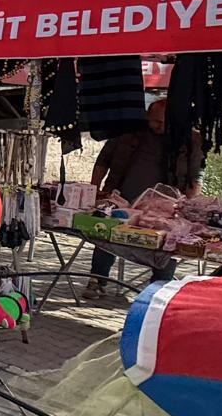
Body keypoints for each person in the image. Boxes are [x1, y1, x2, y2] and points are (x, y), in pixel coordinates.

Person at [84, 98, 202, 296]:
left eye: (165, 123)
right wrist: (94, 189)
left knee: (167, 243)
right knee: (105, 233)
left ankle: (157, 290)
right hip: (121, 198)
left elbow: (195, 176)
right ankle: (98, 280)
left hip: (165, 207)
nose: (160, 126)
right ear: (147, 115)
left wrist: (188, 207)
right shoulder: (127, 132)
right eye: (156, 121)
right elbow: (103, 160)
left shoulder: (190, 139)